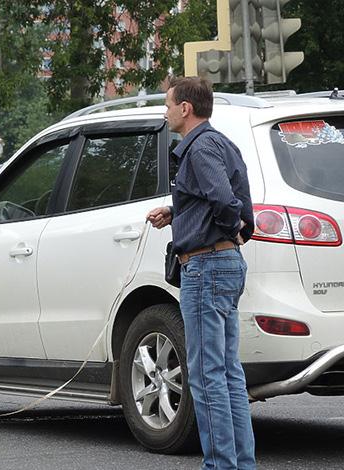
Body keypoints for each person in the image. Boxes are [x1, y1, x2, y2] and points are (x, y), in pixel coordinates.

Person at [146, 77, 255, 470]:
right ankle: (241, 465)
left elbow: (226, 202)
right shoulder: (222, 142)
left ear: (186, 108)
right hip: (222, 264)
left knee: (207, 376)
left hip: (207, 266)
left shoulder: (199, 148)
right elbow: (225, 198)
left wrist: (228, 229)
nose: (166, 111)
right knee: (227, 375)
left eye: (169, 104)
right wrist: (177, 213)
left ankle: (220, 466)